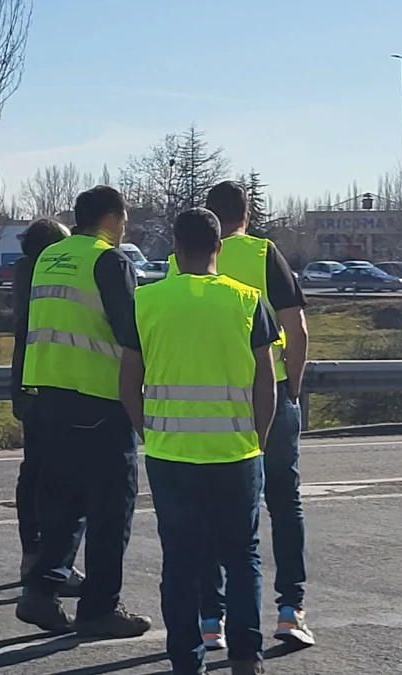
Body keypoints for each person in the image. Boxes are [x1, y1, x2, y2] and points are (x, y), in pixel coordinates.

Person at [121, 207, 279, 675]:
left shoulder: (145, 301)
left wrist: (149, 433)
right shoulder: (247, 300)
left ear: (175, 245)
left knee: (181, 563)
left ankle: (186, 661)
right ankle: (246, 659)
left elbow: (128, 387)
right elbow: (265, 386)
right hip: (235, 453)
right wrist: (260, 440)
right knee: (242, 556)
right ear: (219, 248)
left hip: (171, 456)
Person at [169, 180, 314, 649]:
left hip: (204, 403)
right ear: (246, 216)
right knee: (283, 503)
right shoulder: (262, 253)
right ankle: (290, 609)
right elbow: (296, 326)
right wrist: (290, 385)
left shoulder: (179, 260)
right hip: (264, 393)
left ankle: (212, 619)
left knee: (210, 512)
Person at [14, 186, 151, 638]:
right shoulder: (108, 260)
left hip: (46, 397)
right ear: (112, 217)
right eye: (124, 218)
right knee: (112, 509)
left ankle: (41, 591)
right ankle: (99, 609)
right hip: (98, 399)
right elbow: (131, 331)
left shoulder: (48, 259)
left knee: (61, 504)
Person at [9, 217, 85, 592]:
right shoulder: (49, 277)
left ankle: (32, 554)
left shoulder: (25, 274)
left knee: (34, 473)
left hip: (27, 381)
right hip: (55, 382)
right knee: (61, 479)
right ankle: (52, 562)